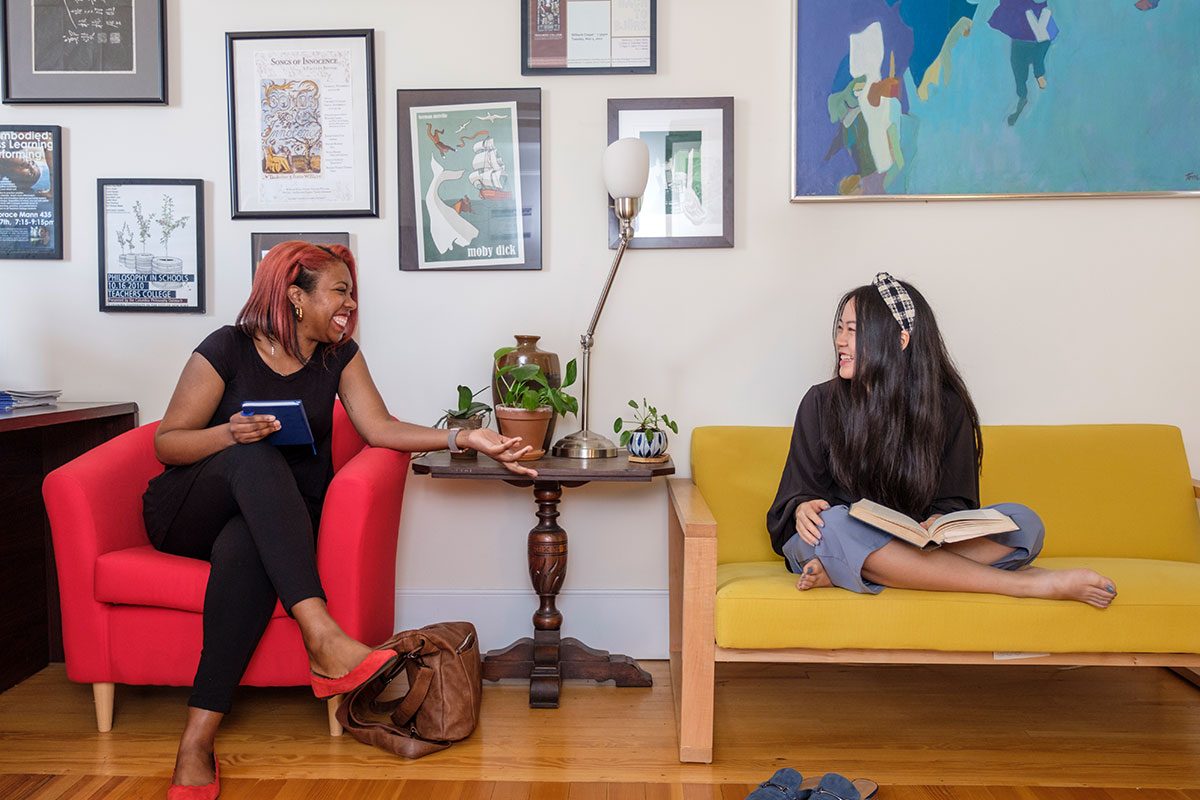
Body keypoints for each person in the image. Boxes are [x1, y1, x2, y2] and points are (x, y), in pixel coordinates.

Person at [144, 241, 536, 797]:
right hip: (189, 510)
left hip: (267, 523)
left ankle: (196, 741)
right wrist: (230, 433)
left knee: (248, 548)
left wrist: (463, 437)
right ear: (296, 297)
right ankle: (323, 636)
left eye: (352, 293)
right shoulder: (226, 348)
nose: (350, 305)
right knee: (257, 454)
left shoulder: (339, 357)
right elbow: (167, 444)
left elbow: (380, 428)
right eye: (340, 291)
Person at [767, 272, 1117, 611]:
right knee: (835, 525)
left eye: (853, 331)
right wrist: (802, 507)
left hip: (919, 543)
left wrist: (934, 524)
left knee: (1025, 523)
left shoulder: (947, 407)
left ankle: (866, 570)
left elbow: (958, 501)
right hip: (835, 538)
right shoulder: (820, 402)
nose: (840, 341)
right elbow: (796, 495)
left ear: (899, 340)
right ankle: (1027, 585)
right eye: (840, 329)